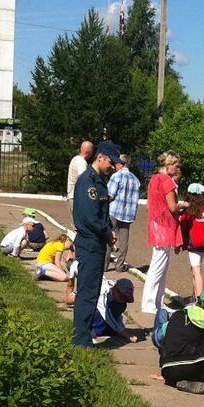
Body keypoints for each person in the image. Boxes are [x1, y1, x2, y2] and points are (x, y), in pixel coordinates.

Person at [72, 140, 119, 348]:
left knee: (92, 290)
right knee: (88, 293)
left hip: (97, 242)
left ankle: (86, 332)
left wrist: (108, 229)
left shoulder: (99, 180)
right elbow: (91, 217)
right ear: (100, 157)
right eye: (111, 162)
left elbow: (101, 212)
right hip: (90, 242)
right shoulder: (88, 181)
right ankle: (81, 340)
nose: (113, 166)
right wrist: (107, 231)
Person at [157, 288, 204, 393]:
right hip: (184, 368)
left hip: (166, 370)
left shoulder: (178, 314)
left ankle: (179, 381)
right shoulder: (203, 324)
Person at [142, 151, 185, 314]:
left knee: (160, 266)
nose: (177, 167)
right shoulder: (167, 181)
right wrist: (184, 205)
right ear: (168, 164)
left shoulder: (154, 179)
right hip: (165, 227)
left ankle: (158, 302)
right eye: (176, 164)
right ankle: (149, 303)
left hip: (156, 224)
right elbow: (173, 207)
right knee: (158, 267)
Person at [106, 153, 140, 272]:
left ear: (122, 164)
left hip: (114, 211)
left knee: (108, 238)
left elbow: (110, 195)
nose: (114, 165)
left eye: (116, 163)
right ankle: (119, 265)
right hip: (128, 214)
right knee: (124, 241)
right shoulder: (135, 179)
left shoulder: (117, 176)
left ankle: (104, 266)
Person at [179, 182, 204, 297]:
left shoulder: (189, 211)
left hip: (194, 243)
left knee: (196, 271)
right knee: (194, 270)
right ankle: (194, 296)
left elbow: (182, 226)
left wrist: (179, 244)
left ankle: (199, 299)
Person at [90, 277, 139, 345]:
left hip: (107, 309)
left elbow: (118, 316)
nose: (123, 300)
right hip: (93, 309)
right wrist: (125, 333)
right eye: (122, 297)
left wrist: (121, 328)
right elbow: (107, 316)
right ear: (115, 290)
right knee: (99, 316)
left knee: (120, 306)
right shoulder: (103, 295)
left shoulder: (117, 296)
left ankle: (108, 328)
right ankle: (92, 329)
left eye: (125, 298)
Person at [66, 140, 95, 218]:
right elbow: (82, 179)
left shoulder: (75, 159)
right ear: (89, 152)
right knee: (80, 225)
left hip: (71, 195)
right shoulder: (82, 162)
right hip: (77, 198)